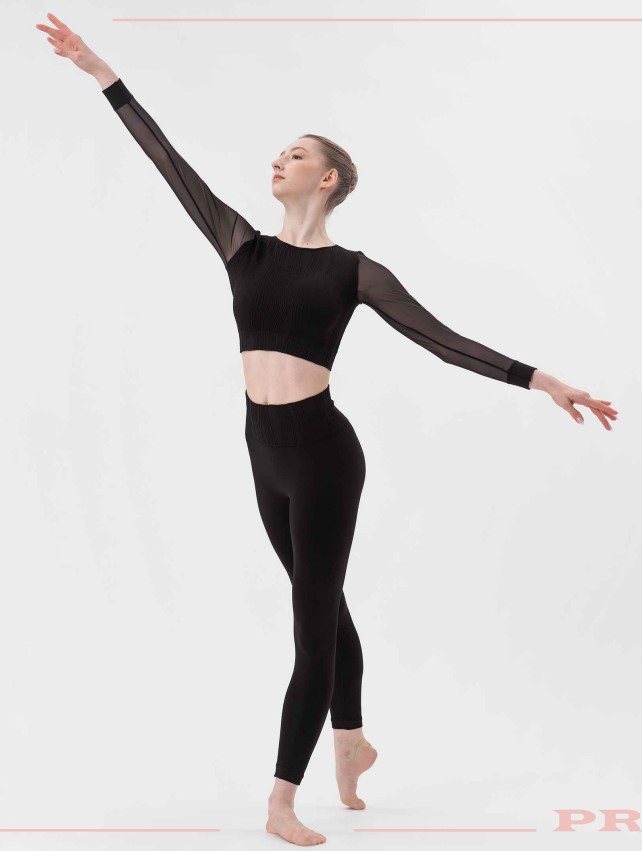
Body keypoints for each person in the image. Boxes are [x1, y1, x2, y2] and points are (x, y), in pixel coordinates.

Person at [36, 12, 619, 847]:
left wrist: (540, 379)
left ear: (330, 179)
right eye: (278, 153)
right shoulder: (242, 247)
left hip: (322, 458)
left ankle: (281, 797)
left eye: (297, 154)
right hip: (262, 452)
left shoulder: (353, 272)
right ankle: (352, 739)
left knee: (310, 626)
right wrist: (103, 74)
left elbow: (439, 338)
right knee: (324, 601)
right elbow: (169, 163)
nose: (278, 160)